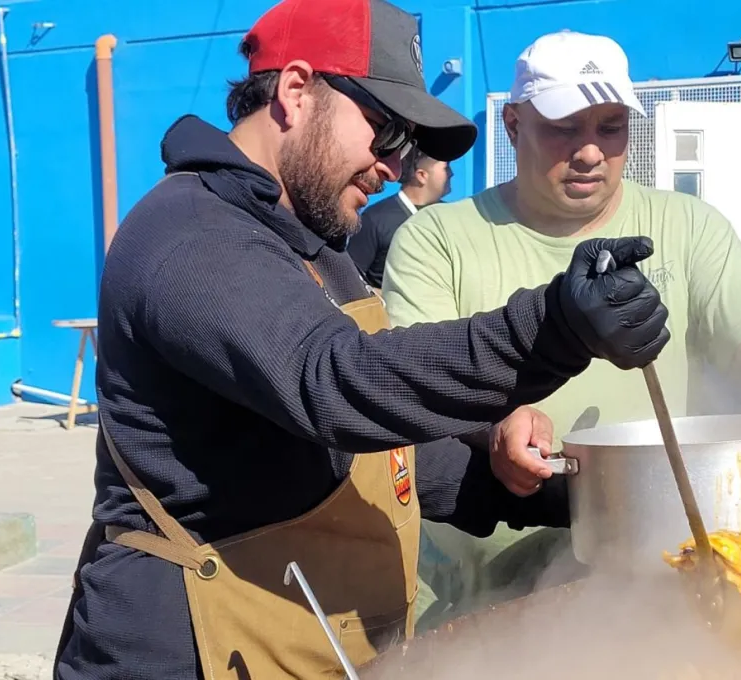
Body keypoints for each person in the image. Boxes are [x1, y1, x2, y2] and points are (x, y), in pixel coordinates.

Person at [52, 5, 672, 680]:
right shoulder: (190, 235)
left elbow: (394, 459)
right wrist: (551, 328)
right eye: (384, 131)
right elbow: (335, 382)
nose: (393, 165)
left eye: (406, 145)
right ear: (295, 91)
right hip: (184, 654)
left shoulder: (319, 252)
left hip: (304, 642)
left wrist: (560, 494)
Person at [381, 30, 741, 630]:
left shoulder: (685, 226)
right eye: (564, 128)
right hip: (488, 587)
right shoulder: (439, 239)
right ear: (514, 126)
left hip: (660, 581)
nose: (590, 152)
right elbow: (414, 385)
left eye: (610, 128)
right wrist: (496, 426)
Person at [348, 148, 453, 288]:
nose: (451, 174)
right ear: (422, 175)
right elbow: (351, 280)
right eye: (446, 168)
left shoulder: (450, 218)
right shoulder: (375, 220)